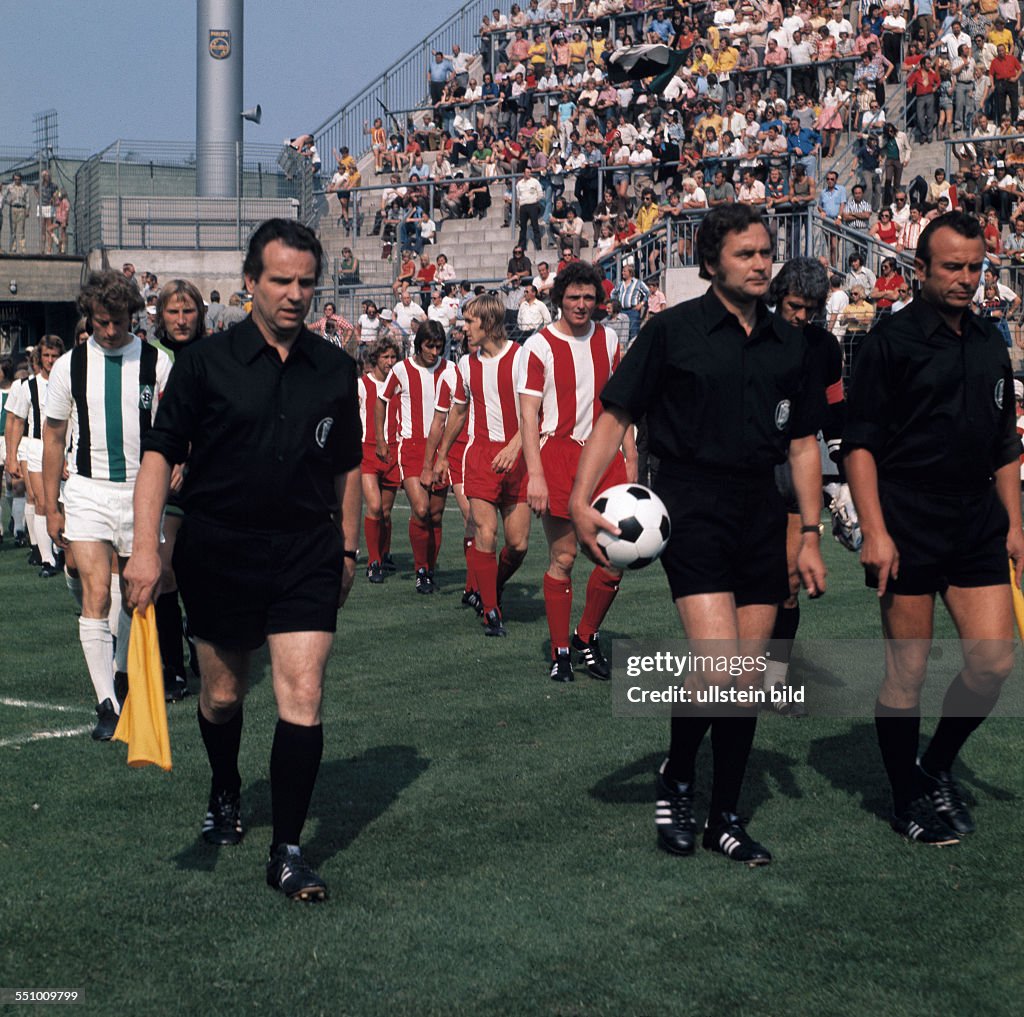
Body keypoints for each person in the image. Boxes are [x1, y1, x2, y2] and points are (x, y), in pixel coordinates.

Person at [568, 204, 827, 864]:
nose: (762, 263)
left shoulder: (790, 342)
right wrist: (578, 495)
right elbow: (615, 411)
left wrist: (811, 533)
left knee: (744, 677)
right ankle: (678, 776)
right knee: (718, 668)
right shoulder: (671, 331)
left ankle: (726, 817)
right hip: (693, 504)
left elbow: (801, 443)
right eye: (746, 254)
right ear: (712, 263)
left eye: (766, 252)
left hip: (762, 511)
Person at [124, 220, 362, 901]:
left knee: (304, 694)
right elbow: (159, 456)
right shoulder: (203, 363)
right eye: (281, 280)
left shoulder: (335, 368)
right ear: (251, 281)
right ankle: (225, 784)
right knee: (223, 695)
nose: (295, 295)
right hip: (219, 549)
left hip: (306, 551)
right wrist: (147, 549)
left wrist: (346, 548)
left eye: (306, 282)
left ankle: (287, 850)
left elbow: (348, 467)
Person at [844, 212, 1023, 846]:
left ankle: (937, 765)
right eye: (952, 267)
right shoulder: (888, 342)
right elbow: (858, 445)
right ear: (920, 269)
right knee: (908, 670)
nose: (966, 279)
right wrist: (875, 530)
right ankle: (905, 797)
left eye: (975, 267)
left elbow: (1005, 443)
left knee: (994, 661)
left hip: (976, 519)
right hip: (908, 516)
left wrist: (1015, 526)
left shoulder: (987, 339)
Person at [43, 271, 173, 741]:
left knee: (133, 592)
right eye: (102, 322)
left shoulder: (156, 363)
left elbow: (174, 430)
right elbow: (54, 434)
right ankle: (106, 705)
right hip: (87, 491)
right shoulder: (68, 366)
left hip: (142, 492)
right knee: (96, 591)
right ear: (90, 317)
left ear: (132, 317)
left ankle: (120, 674)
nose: (111, 331)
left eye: (118, 322)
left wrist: (178, 464)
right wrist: (51, 506)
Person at [518, 260, 637, 683]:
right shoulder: (539, 346)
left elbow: (619, 406)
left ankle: (586, 636)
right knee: (564, 557)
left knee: (614, 559)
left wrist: (632, 459)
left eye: (589, 297)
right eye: (573, 297)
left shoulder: (608, 340)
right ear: (559, 299)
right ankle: (561, 651)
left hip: (605, 461)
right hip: (558, 459)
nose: (582, 304)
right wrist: (534, 475)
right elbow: (528, 417)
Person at [764, 260, 848, 716]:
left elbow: (835, 414)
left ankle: (776, 678)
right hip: (753, 465)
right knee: (748, 579)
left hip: (802, 465)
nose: (801, 317)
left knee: (790, 579)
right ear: (778, 297)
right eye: (795, 306)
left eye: (810, 309)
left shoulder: (825, 346)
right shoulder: (753, 335)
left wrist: (845, 479)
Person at [425, 293, 530, 636]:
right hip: (481, 455)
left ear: (488, 322)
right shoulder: (466, 365)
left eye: (469, 322)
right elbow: (458, 411)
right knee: (486, 531)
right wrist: (442, 456)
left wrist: (516, 446)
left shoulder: (520, 357)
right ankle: (490, 611)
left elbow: (537, 410)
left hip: (518, 456)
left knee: (518, 545)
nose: (464, 328)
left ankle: (491, 587)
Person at [377, 319, 456, 594]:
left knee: (435, 515)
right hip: (410, 446)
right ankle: (420, 570)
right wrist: (381, 438)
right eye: (429, 346)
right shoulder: (401, 369)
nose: (435, 352)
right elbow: (382, 400)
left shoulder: (451, 370)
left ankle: (430, 569)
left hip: (441, 448)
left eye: (439, 346)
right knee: (420, 509)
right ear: (419, 343)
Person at [5, 335, 66, 577]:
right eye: (47, 356)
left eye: (55, 355)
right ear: (39, 358)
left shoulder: (69, 381)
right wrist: (11, 456)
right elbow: (17, 421)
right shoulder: (28, 386)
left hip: (64, 449)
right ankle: (48, 559)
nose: (51, 360)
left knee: (63, 504)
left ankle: (62, 551)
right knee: (41, 501)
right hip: (37, 448)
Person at [359, 337, 402, 584]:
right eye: (385, 357)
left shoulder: (399, 386)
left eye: (393, 357)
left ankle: (384, 553)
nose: (389, 362)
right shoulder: (362, 385)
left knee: (385, 512)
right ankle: (373, 561)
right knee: (374, 506)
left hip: (393, 453)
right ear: (375, 358)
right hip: (368, 451)